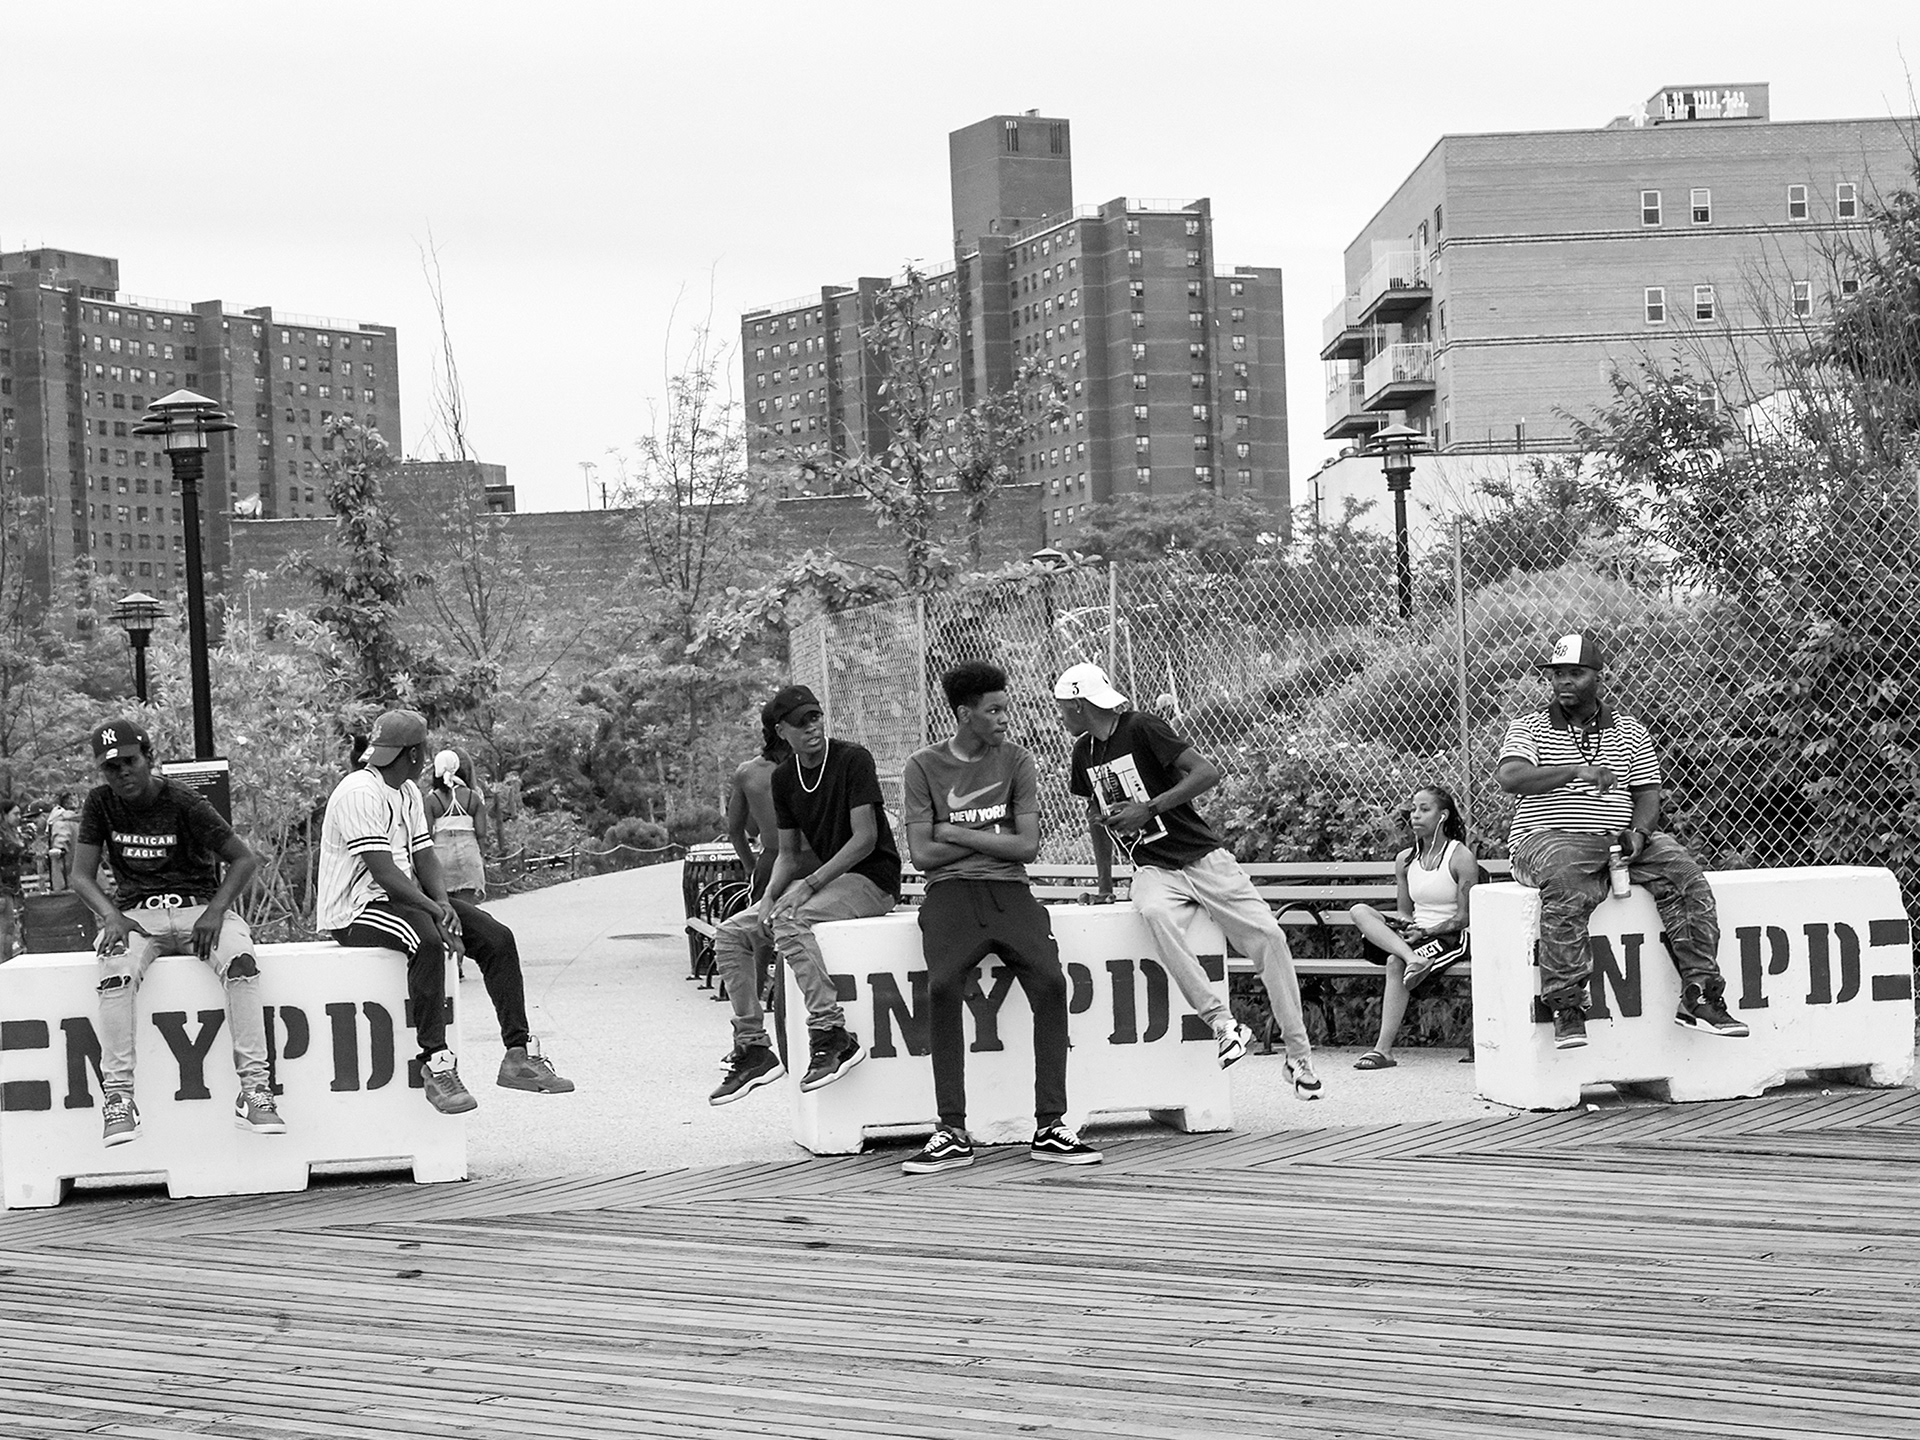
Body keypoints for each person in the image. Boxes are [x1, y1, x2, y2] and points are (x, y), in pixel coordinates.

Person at [1054, 662, 1324, 1100]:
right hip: (1153, 869)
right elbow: (1095, 817)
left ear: (1082, 706)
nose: (1061, 716)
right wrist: (1104, 885)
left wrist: (1150, 808)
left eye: (1065, 708)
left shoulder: (1141, 727)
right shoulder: (1083, 753)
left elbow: (1206, 773)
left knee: (1270, 936)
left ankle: (1299, 1058)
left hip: (1203, 857)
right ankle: (1222, 1023)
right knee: (1155, 911)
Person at [1496, 631, 1749, 1049]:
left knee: (1685, 874)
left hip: (1617, 839)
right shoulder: (1529, 727)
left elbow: (1647, 791)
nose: (1563, 682)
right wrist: (1574, 772)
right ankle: (1567, 1004)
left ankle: (1700, 995)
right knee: (1567, 878)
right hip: (1544, 840)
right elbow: (1511, 777)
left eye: (1575, 674)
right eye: (1556, 674)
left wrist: (1640, 831)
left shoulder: (1628, 730)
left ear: (1597, 676)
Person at [898, 661, 1102, 1174]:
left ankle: (1051, 1125)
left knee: (1052, 982)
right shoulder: (922, 766)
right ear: (965, 715)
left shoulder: (1017, 761)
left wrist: (955, 832)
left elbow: (1026, 847)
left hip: (1011, 892)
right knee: (942, 986)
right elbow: (921, 855)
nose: (1004, 719)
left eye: (1005, 709)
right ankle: (951, 1130)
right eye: (994, 711)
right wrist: (990, 839)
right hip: (949, 894)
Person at [318, 709, 574, 1114]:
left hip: (403, 899)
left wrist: (440, 902)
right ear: (417, 754)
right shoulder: (358, 792)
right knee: (427, 939)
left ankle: (518, 1054)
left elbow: (424, 854)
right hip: (355, 909)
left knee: (496, 938)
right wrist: (434, 912)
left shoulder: (404, 793)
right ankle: (436, 1064)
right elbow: (382, 871)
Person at [66, 718, 283, 1145]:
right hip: (137, 916)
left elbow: (243, 859)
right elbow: (80, 875)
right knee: (115, 971)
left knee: (241, 963)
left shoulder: (183, 801)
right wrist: (111, 915)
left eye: (130, 762)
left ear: (149, 758)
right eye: (112, 767)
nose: (122, 773)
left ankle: (255, 1091)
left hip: (197, 907)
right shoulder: (100, 803)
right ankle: (119, 1100)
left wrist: (215, 912)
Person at [708, 684, 900, 1105]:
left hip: (872, 879)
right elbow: (789, 854)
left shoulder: (852, 759)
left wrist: (806, 889)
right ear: (782, 731)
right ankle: (754, 1047)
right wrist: (770, 897)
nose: (812, 728)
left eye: (816, 718)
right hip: (828, 883)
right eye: (801, 723)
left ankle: (832, 1034)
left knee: (791, 920)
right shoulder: (783, 777)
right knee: (731, 933)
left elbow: (865, 839)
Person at [1347, 785, 1477, 1070]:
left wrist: (1426, 933)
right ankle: (1412, 957)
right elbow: (1405, 911)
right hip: (1416, 938)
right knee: (1359, 911)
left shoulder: (1460, 856)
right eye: (1413, 809)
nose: (1415, 815)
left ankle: (1383, 1051)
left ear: (1443, 816)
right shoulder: (1405, 860)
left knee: (1394, 962)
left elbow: (1465, 918)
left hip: (1450, 937)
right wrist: (1407, 928)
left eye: (1424, 809)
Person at [424, 750, 487, 979]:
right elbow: (481, 832)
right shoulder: (473, 797)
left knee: (445, 911)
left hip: (441, 852)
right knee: (467, 911)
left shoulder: (432, 800)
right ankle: (459, 962)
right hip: (468, 850)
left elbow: (426, 834)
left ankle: (451, 962)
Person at [0, 799, 25, 960]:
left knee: (9, 929)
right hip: (2, 890)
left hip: (10, 888)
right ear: (3, 815)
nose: (19, 817)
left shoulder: (10, 834)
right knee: (4, 931)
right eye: (15, 813)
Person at [45, 792, 80, 893]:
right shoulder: (81, 822)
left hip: (69, 885)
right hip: (88, 882)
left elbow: (58, 854)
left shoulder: (60, 823)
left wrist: (58, 889)